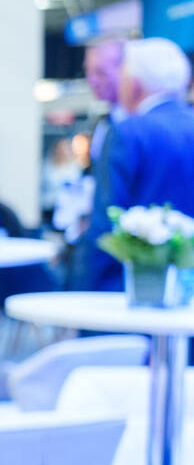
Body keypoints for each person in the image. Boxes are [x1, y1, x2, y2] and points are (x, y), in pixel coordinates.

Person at [84, 37, 194, 291]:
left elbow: (106, 221)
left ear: (133, 84)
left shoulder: (128, 132)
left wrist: (83, 286)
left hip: (134, 285)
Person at [64, 37, 129, 290]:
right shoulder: (103, 124)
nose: (93, 80)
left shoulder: (136, 127)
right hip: (95, 246)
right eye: (89, 72)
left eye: (101, 72)